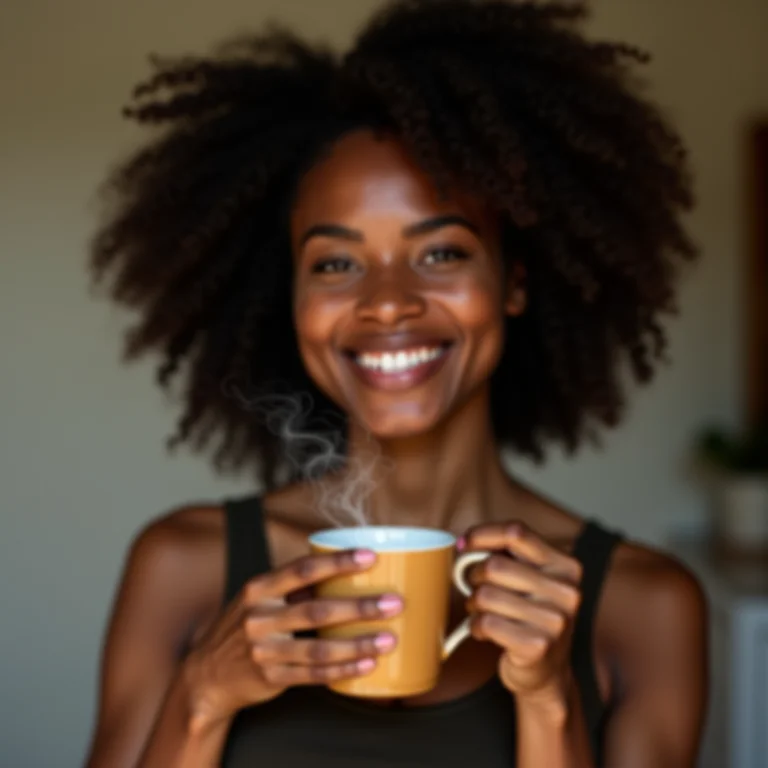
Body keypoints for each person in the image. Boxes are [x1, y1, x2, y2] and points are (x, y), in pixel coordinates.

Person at [84, 1, 708, 766]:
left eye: (441, 253)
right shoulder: (183, 565)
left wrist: (548, 700)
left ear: (512, 282)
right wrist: (201, 695)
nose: (385, 301)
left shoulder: (643, 604)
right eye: (336, 263)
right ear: (291, 301)